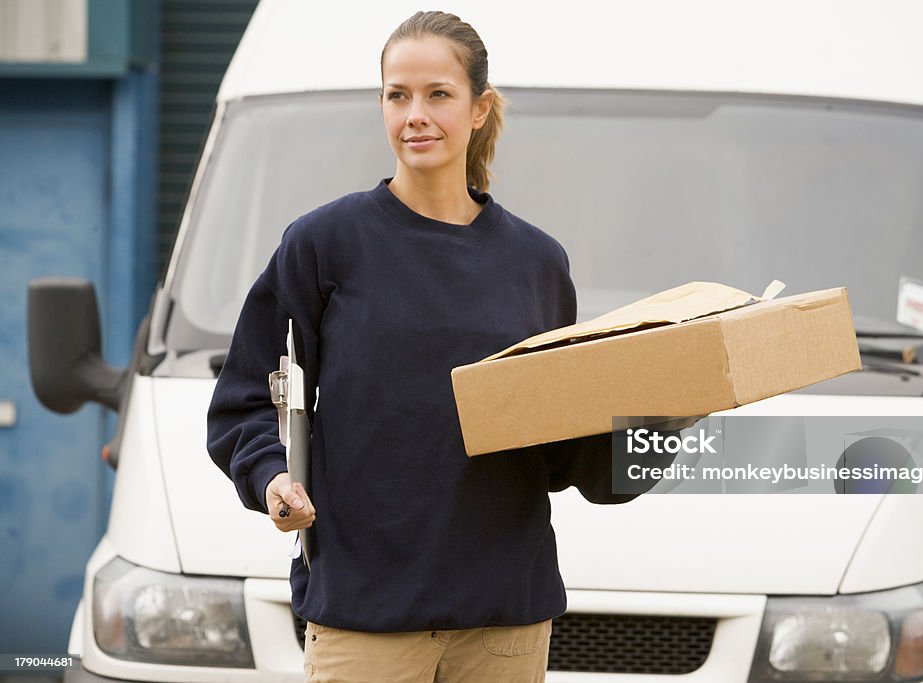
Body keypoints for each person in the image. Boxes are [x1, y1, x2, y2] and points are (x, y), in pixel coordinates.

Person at [207, 10, 646, 683]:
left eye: (439, 94)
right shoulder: (324, 245)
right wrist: (272, 478)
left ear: (479, 109)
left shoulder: (537, 264)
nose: (416, 114)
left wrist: (662, 414)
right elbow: (243, 402)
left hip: (503, 625)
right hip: (365, 620)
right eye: (398, 95)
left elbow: (560, 453)